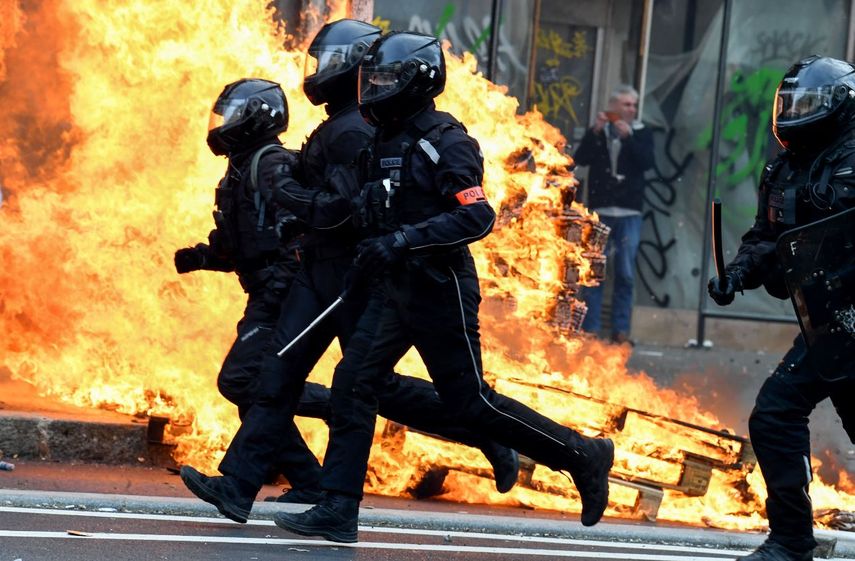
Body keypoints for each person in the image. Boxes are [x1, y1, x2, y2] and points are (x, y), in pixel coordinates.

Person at [273, 31, 615, 544]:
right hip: (393, 286)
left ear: (419, 79)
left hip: (440, 286)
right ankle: (338, 509)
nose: (376, 88)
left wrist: (405, 239)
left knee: (469, 402)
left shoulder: (445, 139)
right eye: (374, 78)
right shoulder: (380, 139)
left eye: (387, 78)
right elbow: (370, 208)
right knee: (354, 383)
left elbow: (476, 215)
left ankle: (582, 455)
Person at [179, 19, 520, 525]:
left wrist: (287, 193)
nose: (316, 73)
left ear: (348, 62)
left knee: (360, 386)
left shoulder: (354, 130)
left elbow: (343, 210)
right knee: (283, 373)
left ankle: (480, 431)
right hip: (320, 272)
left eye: (325, 62)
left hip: (346, 276)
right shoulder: (345, 124)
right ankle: (240, 485)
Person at [708, 55, 855, 561]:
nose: (797, 112)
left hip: (853, 314)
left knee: (777, 412)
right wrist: (738, 274)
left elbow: (834, 237)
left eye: (808, 103)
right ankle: (792, 539)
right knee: (774, 415)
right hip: (825, 323)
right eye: (790, 102)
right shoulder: (783, 167)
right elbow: (767, 238)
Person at [173, 77, 332, 505]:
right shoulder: (240, 168)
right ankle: (311, 483)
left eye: (230, 116)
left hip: (284, 293)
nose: (221, 124)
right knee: (255, 388)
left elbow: (298, 229)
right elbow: (243, 244)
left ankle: (341, 406)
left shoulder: (272, 162)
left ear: (255, 118)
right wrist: (203, 257)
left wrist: (283, 282)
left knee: (244, 380)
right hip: (266, 290)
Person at [573, 85, 653, 344]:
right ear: (614, 107)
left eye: (633, 105)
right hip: (601, 211)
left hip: (629, 211)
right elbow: (581, 159)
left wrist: (630, 138)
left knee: (625, 273)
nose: (631, 109)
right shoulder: (601, 131)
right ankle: (591, 329)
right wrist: (595, 132)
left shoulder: (642, 132)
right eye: (626, 105)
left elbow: (647, 163)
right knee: (594, 271)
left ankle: (620, 331)